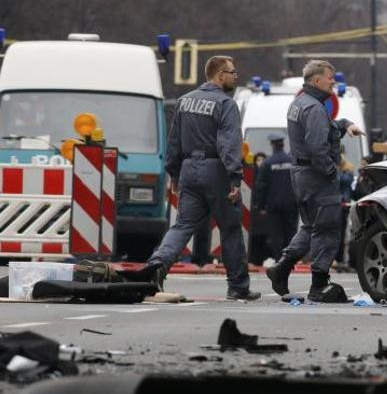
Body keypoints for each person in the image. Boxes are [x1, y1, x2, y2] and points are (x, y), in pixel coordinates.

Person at [137, 56, 260, 301]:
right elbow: (229, 144)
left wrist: (174, 174)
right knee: (230, 229)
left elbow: (174, 141)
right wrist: (235, 179)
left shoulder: (184, 102)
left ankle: (157, 267)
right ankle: (237, 287)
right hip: (217, 171)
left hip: (189, 169)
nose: (236, 76)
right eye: (232, 72)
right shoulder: (226, 104)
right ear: (219, 74)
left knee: (183, 225)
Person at [265, 60, 365, 302]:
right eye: (330, 78)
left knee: (310, 227)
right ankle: (319, 285)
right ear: (317, 80)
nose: (333, 82)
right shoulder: (314, 109)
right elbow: (318, 147)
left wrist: (345, 124)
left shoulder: (301, 104)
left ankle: (282, 268)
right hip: (318, 177)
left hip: (302, 175)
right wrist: (333, 173)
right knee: (327, 229)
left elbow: (326, 130)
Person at [254, 134, 298, 262]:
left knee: (276, 234)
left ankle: (279, 260)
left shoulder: (267, 163)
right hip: (291, 204)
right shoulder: (291, 161)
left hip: (274, 205)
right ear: (283, 145)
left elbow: (261, 186)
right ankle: (290, 260)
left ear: (272, 145)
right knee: (291, 233)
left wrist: (260, 206)